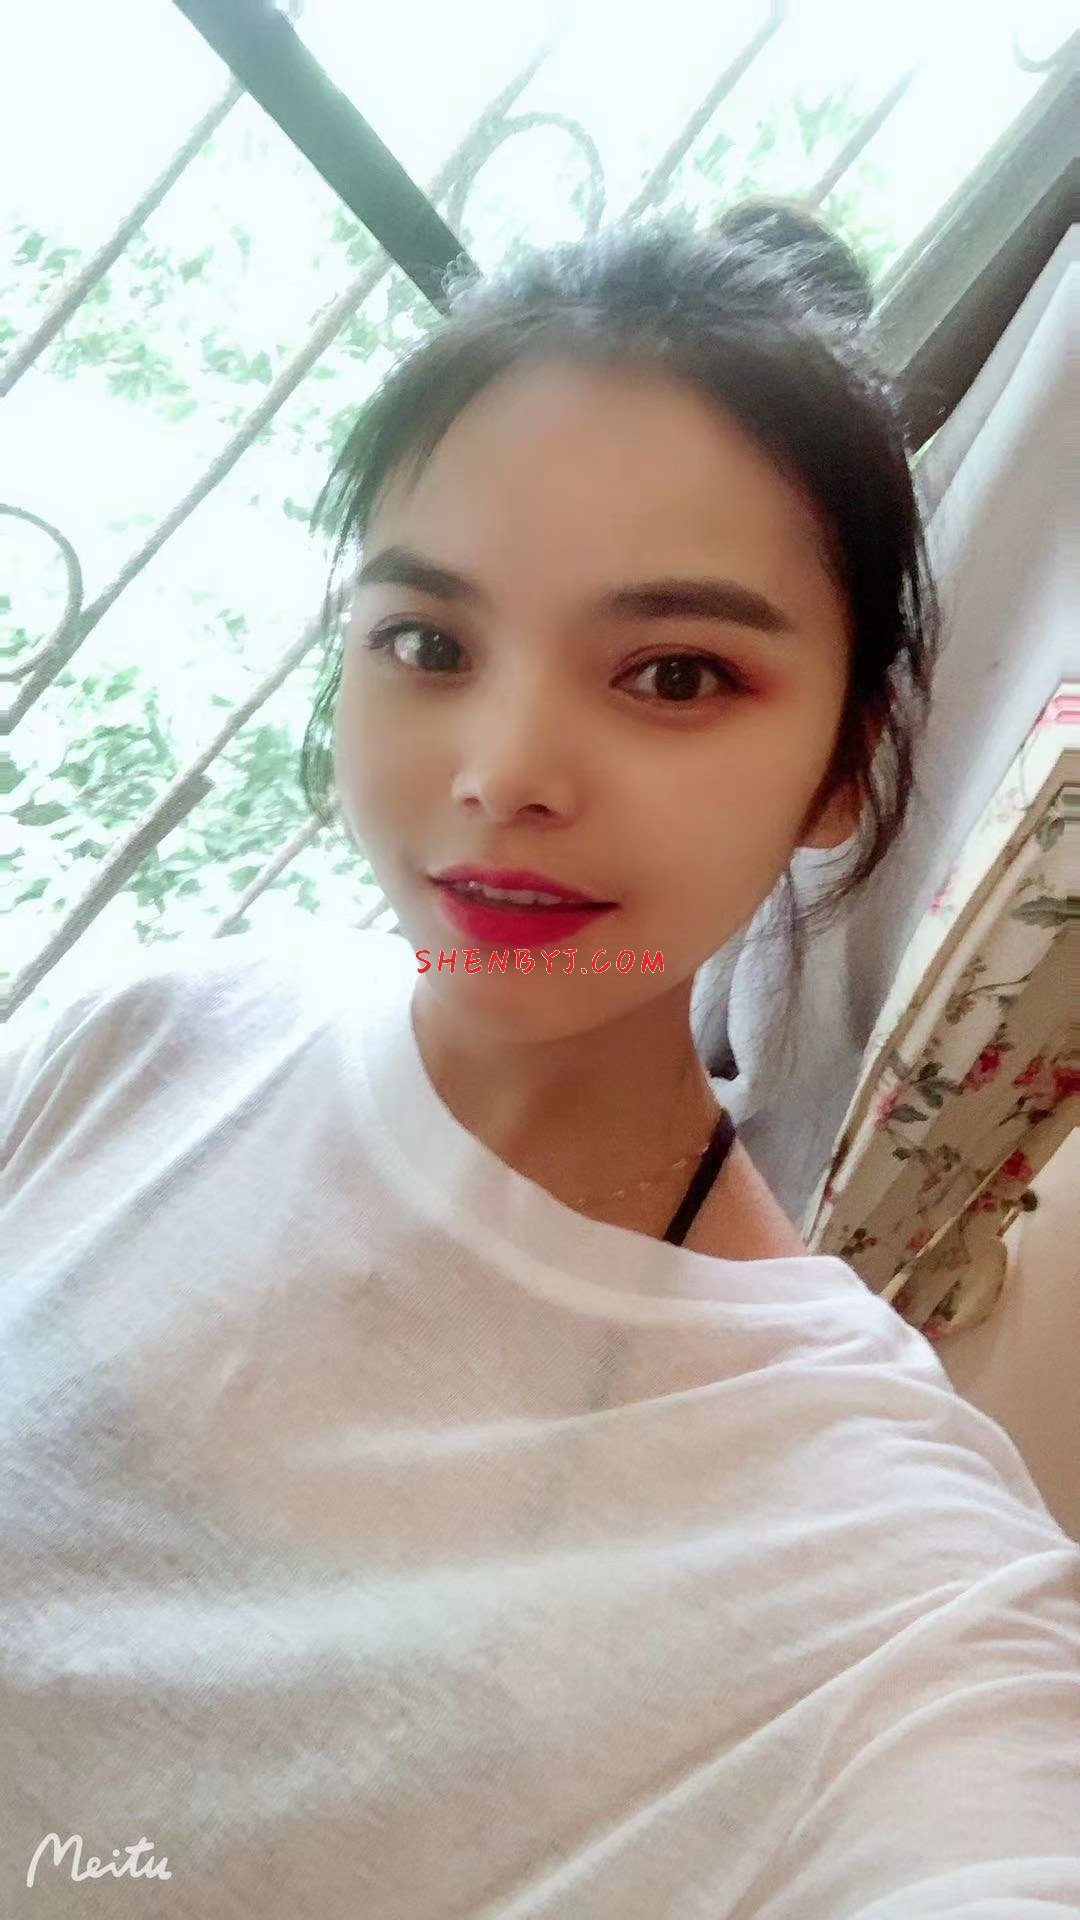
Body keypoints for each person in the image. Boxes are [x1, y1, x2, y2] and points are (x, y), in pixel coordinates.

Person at [2, 197, 1078, 1918]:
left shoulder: (888, 1562)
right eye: (428, 643)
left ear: (843, 766)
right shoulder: (136, 1040)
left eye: (675, 673)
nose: (504, 771)